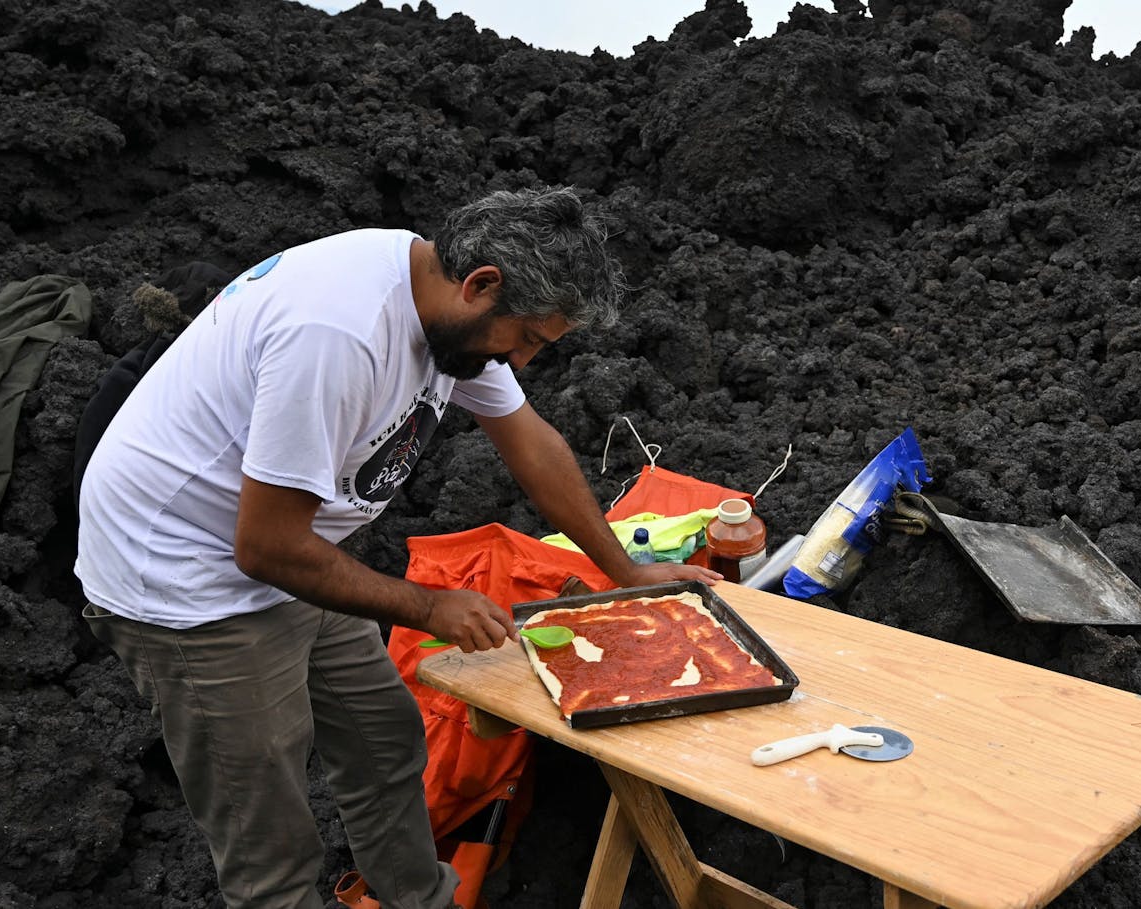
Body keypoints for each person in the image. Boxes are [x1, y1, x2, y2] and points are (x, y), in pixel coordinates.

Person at [75, 186, 719, 909]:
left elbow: (532, 445)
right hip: (187, 585)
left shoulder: (444, 305)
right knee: (272, 839)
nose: (525, 361)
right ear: (482, 286)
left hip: (296, 552)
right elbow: (265, 547)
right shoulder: (338, 334)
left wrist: (625, 568)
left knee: (384, 740)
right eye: (530, 340)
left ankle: (420, 899)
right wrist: (428, 605)